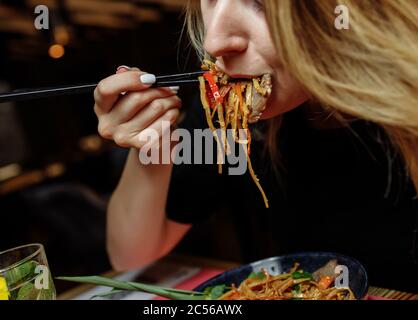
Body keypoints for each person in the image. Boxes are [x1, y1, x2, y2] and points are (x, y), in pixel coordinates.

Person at [93, 0, 418, 291]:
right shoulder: (226, 112)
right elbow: (131, 255)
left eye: (259, 4)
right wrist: (152, 142)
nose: (214, 41)